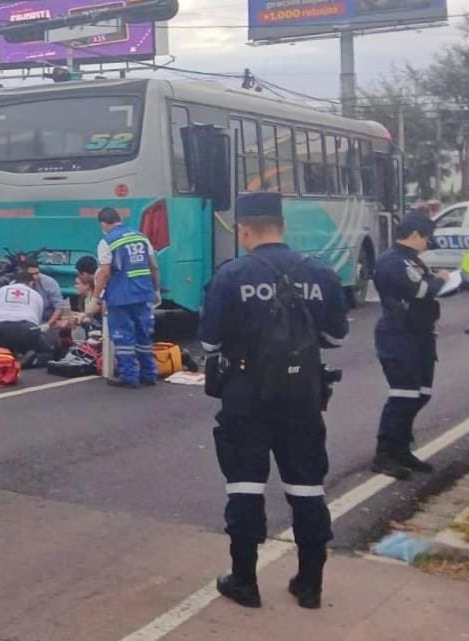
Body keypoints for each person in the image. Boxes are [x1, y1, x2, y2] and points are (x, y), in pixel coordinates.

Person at [199, 192, 348, 610]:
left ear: (244, 230)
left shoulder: (231, 276)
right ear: (282, 226)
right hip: (302, 395)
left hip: (245, 395)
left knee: (245, 485)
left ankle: (244, 581)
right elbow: (337, 336)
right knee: (306, 486)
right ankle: (310, 584)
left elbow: (209, 342)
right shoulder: (319, 273)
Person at [371, 213, 450, 479]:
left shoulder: (413, 260)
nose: (429, 243)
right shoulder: (391, 261)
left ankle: (401, 448)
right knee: (403, 395)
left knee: (421, 394)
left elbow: (428, 287)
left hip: (421, 335)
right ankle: (384, 454)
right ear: (415, 234)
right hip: (398, 335)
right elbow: (418, 290)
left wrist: (440, 283)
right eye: (427, 238)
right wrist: (440, 280)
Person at [93, 207, 161, 388]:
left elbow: (105, 273)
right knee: (144, 334)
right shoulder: (141, 236)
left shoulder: (107, 241)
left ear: (103, 224)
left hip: (120, 295)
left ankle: (129, 376)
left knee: (123, 336)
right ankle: (149, 374)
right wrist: (156, 290)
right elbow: (154, 266)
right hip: (144, 293)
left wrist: (95, 299)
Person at [0, 270, 45, 365]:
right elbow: (37, 323)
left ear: (14, 281)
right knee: (48, 351)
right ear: (31, 283)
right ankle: (31, 359)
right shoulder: (37, 295)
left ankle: (4, 355)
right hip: (26, 330)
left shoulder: (1, 290)